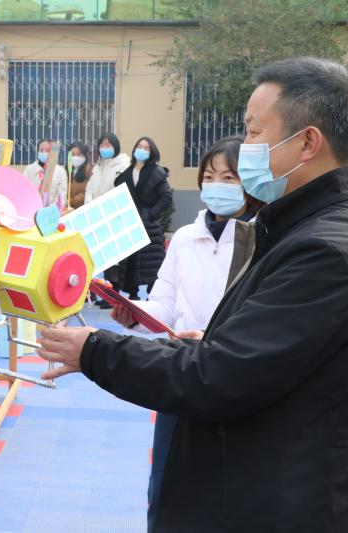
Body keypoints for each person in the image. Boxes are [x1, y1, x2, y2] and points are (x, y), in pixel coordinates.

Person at [37, 57, 348, 532]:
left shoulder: (326, 250)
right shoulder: (304, 228)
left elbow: (220, 376)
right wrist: (203, 342)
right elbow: (257, 357)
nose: (245, 147)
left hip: (286, 500)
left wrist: (96, 350)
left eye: (253, 131)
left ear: (308, 142)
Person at [112, 135, 262, 530]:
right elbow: (163, 303)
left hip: (231, 376)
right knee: (166, 485)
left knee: (225, 491)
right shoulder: (184, 238)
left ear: (249, 183)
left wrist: (212, 340)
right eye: (209, 177)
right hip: (179, 374)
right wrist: (135, 313)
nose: (216, 185)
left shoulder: (263, 241)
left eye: (229, 178)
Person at [113, 137, 172, 300]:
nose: (142, 150)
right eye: (140, 146)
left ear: (152, 152)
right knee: (130, 261)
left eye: (146, 148)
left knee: (152, 263)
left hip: (149, 226)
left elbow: (166, 197)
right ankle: (132, 294)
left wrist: (151, 215)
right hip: (130, 222)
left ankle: (153, 296)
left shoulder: (156, 172)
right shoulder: (127, 171)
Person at [85, 132, 130, 203]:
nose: (104, 148)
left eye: (108, 145)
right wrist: (88, 203)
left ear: (115, 147)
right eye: (102, 146)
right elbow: (89, 189)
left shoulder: (123, 167)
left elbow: (120, 192)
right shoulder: (97, 169)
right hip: (95, 208)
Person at [22, 138, 67, 206]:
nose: (44, 153)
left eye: (47, 150)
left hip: (52, 210)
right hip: (31, 208)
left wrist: (50, 210)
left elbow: (61, 196)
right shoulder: (29, 169)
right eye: (41, 150)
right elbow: (24, 191)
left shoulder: (61, 171)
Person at [64, 141, 92, 209]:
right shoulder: (65, 171)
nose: (75, 157)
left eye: (79, 154)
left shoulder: (90, 171)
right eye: (73, 155)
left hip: (81, 209)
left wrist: (70, 201)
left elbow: (86, 193)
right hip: (66, 210)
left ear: (85, 156)